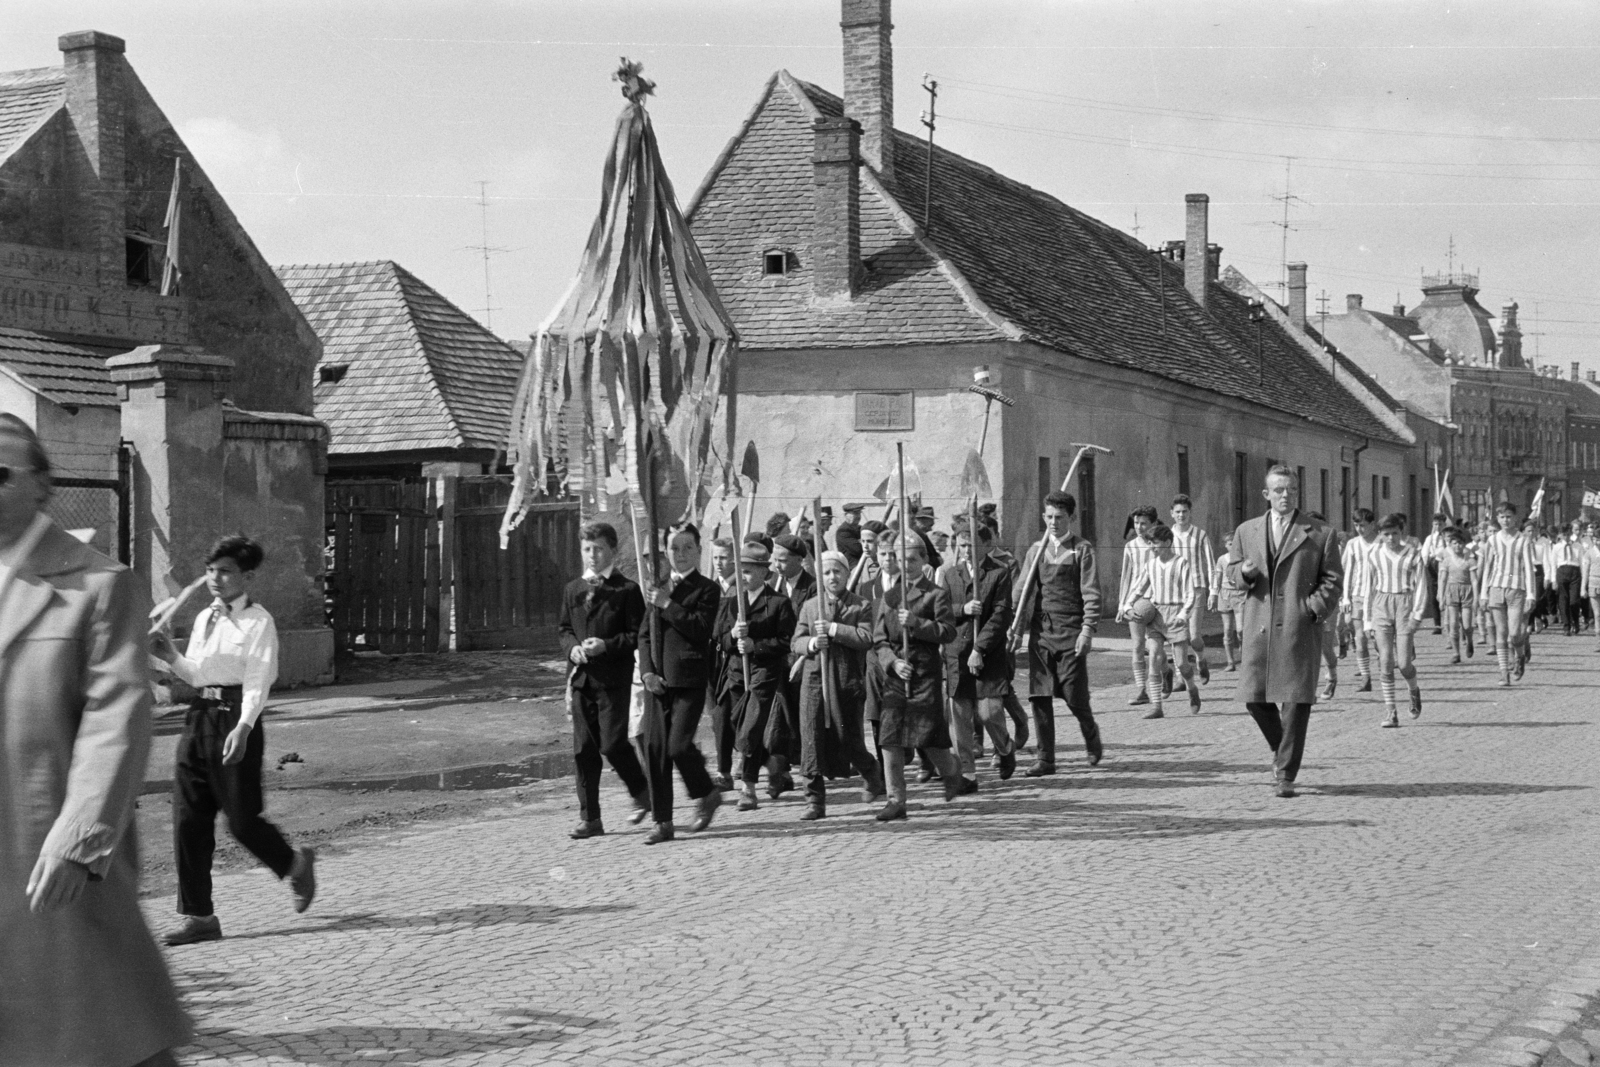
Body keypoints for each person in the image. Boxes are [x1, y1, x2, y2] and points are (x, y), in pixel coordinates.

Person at [0, 415, 189, 1067]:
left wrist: (78, 838)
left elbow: (117, 717)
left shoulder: (98, 585)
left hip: (50, 854)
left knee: (106, 1029)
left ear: (42, 486)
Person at [151, 535, 316, 945]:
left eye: (225, 571)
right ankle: (200, 917)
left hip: (235, 720)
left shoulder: (259, 622)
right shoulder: (207, 618)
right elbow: (199, 675)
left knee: (242, 821)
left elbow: (259, 682)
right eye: (210, 571)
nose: (215, 579)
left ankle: (295, 865)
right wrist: (170, 655)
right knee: (188, 820)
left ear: (247, 576)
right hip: (198, 719)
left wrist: (243, 727)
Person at [1225, 466, 1342, 799]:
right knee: (1253, 698)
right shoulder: (1247, 531)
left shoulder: (1320, 533)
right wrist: (1243, 573)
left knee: (1295, 703)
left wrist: (1312, 608)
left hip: (1297, 628)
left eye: (1291, 489)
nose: (1285, 495)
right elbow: (1232, 572)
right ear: (1266, 495)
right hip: (1259, 627)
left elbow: (1332, 580)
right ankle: (1282, 751)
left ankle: (1286, 775)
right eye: (1278, 490)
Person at [559, 521, 651, 839]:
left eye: (598, 549)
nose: (592, 555)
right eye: (587, 549)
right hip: (582, 679)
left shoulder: (626, 590)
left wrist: (606, 646)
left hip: (614, 680)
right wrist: (572, 650)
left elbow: (637, 635)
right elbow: (564, 629)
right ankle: (591, 819)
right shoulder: (573, 589)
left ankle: (642, 792)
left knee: (612, 745)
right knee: (583, 749)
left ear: (612, 550)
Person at [637, 524, 723, 844]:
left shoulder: (707, 589)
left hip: (689, 679)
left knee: (677, 746)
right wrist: (647, 672)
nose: (681, 554)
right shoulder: (657, 588)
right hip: (657, 682)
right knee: (656, 749)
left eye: (688, 548)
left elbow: (700, 628)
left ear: (699, 551)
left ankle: (707, 793)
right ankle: (663, 822)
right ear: (666, 553)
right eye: (675, 548)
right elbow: (644, 636)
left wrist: (667, 605)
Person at [872, 529, 964, 821]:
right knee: (889, 737)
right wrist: (892, 663)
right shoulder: (889, 596)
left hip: (924, 673)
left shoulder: (935, 594)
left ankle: (951, 771)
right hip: (898, 675)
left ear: (923, 560)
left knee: (927, 736)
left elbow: (948, 632)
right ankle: (896, 800)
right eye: (901, 558)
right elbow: (879, 639)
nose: (906, 564)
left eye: (912, 558)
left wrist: (918, 623)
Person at [1013, 490, 1103, 775]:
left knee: (1074, 697)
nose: (1054, 522)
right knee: (1039, 696)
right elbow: (1021, 592)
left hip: (1071, 632)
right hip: (1041, 634)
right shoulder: (1035, 551)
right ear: (1044, 517)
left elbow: (1091, 593)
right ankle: (1045, 759)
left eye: (1060, 518)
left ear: (1072, 518)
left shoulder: (1082, 549)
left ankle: (1091, 734)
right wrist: (1013, 627)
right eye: (1049, 517)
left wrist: (1087, 630)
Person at [792, 551, 884, 819]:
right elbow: (796, 641)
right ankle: (814, 800)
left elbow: (866, 637)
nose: (833, 577)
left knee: (848, 738)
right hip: (814, 680)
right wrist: (811, 643)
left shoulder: (860, 605)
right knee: (811, 737)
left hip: (846, 680)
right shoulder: (810, 606)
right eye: (827, 573)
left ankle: (870, 771)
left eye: (838, 572)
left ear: (846, 574)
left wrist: (833, 629)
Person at [713, 541, 798, 812]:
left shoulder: (777, 603)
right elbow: (719, 638)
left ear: (764, 573)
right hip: (737, 673)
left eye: (749, 571)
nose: (743, 577)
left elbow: (786, 641)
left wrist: (756, 645)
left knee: (750, 728)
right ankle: (772, 763)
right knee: (738, 724)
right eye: (740, 571)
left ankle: (748, 788)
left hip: (765, 673)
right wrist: (733, 637)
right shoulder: (730, 601)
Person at [940, 524, 1019, 785]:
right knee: (960, 717)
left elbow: (1001, 615)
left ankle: (1005, 747)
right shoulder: (950, 574)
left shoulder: (999, 573)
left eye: (971, 545)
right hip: (957, 653)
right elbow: (941, 611)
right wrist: (963, 609)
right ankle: (967, 774)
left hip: (989, 653)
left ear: (984, 546)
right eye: (961, 545)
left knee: (989, 713)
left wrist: (979, 649)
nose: (966, 550)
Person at [1121, 523, 1202, 717]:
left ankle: (1192, 688)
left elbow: (1190, 594)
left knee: (1182, 664)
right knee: (1155, 658)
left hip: (1176, 613)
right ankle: (1157, 707)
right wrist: (1127, 605)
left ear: (1167, 542)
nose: (1152, 547)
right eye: (1149, 543)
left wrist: (1183, 614)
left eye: (1155, 543)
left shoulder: (1181, 563)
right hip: (1157, 614)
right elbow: (1138, 588)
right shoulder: (1151, 565)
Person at [1363, 513, 1427, 727]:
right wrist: (1367, 620)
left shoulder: (1413, 554)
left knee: (1404, 664)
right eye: (1386, 534)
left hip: (1405, 606)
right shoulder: (1373, 554)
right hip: (1381, 605)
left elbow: (1421, 586)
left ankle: (1413, 690)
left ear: (1402, 533)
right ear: (1380, 534)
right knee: (1385, 661)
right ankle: (1391, 712)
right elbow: (1368, 587)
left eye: (1395, 534)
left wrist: (1417, 614)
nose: (1390, 538)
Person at [1477, 503, 1537, 687]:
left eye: (1509, 516)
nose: (1506, 520)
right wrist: (1483, 594)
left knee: (1515, 633)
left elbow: (1528, 568)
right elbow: (1487, 567)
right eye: (1502, 517)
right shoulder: (1493, 540)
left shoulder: (1523, 540)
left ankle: (1519, 656)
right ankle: (1504, 672)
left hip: (1516, 589)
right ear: (1498, 518)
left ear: (1515, 518)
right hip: (1496, 587)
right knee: (1500, 633)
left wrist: (1531, 594)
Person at [1168, 495, 1215, 685]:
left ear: (1190, 513)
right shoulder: (1167, 536)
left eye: (1184, 512)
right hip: (1174, 591)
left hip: (1196, 588)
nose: (1181, 515)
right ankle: (1181, 677)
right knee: (1177, 636)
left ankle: (1200, 659)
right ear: (1172, 514)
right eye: (1177, 512)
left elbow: (1210, 564)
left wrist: (1214, 591)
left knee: (1194, 636)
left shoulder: (1200, 534)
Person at [1118, 505, 1160, 705]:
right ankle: (1141, 690)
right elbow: (1126, 577)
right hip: (1136, 601)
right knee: (1137, 645)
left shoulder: (1162, 545)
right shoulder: (1130, 547)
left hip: (1159, 601)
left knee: (1156, 646)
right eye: (1136, 523)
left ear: (1153, 523)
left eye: (1144, 523)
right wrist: (1122, 604)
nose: (1139, 527)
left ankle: (1166, 672)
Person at [1341, 508, 1380, 693]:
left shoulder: (1382, 542)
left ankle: (1384, 663)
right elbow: (1347, 571)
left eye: (1363, 525)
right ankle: (1366, 678)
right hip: (1357, 595)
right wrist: (1346, 597)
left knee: (1377, 637)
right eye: (1356, 525)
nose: (1359, 529)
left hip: (1379, 596)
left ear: (1372, 525)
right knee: (1360, 636)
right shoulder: (1353, 544)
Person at [1437, 527, 1479, 664]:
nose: (1457, 546)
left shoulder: (1470, 560)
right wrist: (1441, 595)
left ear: (1464, 544)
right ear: (1450, 544)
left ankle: (1469, 640)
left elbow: (1474, 579)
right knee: (1453, 623)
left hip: (1466, 591)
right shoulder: (1447, 561)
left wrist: (1476, 597)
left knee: (1466, 624)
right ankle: (1456, 653)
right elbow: (1442, 579)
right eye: (1454, 543)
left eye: (1460, 543)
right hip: (1451, 591)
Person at [1209, 531, 1245, 671]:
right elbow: (1217, 578)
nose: (1233, 546)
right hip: (1225, 595)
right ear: (1226, 545)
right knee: (1227, 630)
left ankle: (1244, 659)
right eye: (1230, 544)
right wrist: (1214, 595)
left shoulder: (1242, 558)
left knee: (1241, 630)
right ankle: (1230, 662)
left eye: (1235, 543)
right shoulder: (1222, 559)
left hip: (1240, 594)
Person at [1547, 522, 1585, 636]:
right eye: (1564, 534)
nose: (1567, 536)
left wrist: (1583, 579)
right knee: (1563, 600)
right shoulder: (1557, 547)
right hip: (1562, 571)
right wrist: (1553, 580)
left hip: (1575, 571)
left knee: (1574, 601)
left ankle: (1575, 622)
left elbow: (1582, 562)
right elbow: (1553, 564)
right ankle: (1566, 626)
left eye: (1568, 533)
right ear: (1561, 534)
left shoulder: (1577, 546)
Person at [1420, 513, 1449, 635]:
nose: (1438, 527)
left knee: (1447, 594)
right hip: (1432, 566)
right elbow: (1424, 551)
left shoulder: (1448, 537)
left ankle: (1449, 621)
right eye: (1436, 524)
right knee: (1434, 596)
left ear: (1444, 524)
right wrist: (1426, 559)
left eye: (1440, 524)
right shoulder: (1430, 538)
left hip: (1444, 565)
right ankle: (1437, 624)